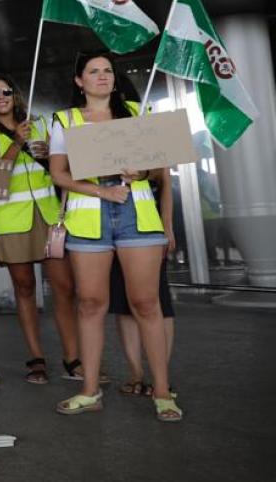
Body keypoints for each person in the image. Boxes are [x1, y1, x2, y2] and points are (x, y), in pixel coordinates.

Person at [48, 51, 181, 421]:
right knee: (90, 304)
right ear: (79, 81)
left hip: (137, 218)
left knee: (146, 304)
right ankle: (90, 391)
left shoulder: (140, 114)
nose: (102, 76)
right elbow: (58, 174)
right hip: (90, 220)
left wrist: (143, 172)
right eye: (93, 71)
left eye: (108, 70)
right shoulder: (65, 120)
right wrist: (101, 192)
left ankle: (162, 392)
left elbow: (160, 171)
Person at [0, 74, 83, 384]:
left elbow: (63, 166)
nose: (1, 96)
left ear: (15, 94)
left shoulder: (40, 123)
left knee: (64, 287)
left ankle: (72, 358)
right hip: (11, 219)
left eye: (6, 90)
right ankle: (36, 358)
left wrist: (50, 156)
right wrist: (18, 143)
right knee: (24, 289)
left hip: (49, 215)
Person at [112, 168, 177, 396]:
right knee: (123, 303)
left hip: (147, 225)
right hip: (108, 223)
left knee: (155, 302)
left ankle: (160, 379)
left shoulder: (153, 131)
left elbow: (164, 178)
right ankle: (136, 374)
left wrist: (167, 224)